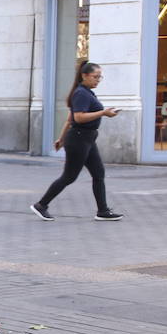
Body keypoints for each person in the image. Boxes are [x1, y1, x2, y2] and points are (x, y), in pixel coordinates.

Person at [32, 60, 123, 221]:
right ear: (84, 75)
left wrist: (60, 138)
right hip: (79, 139)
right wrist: (103, 113)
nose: (98, 80)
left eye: (100, 77)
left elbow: (69, 119)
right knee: (69, 176)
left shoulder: (87, 92)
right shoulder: (81, 93)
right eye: (96, 77)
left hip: (87, 139)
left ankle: (102, 211)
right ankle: (41, 205)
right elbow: (78, 118)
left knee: (98, 173)